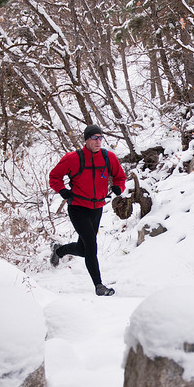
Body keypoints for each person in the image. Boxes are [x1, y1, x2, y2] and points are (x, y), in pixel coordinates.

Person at [49, 124, 127, 296]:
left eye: (101, 138)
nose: (98, 141)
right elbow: (54, 177)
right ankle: (99, 285)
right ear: (86, 140)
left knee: (84, 249)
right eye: (95, 138)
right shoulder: (72, 158)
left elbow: (120, 177)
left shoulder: (109, 157)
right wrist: (62, 190)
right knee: (91, 246)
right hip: (77, 207)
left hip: (97, 208)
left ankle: (59, 250)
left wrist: (118, 188)